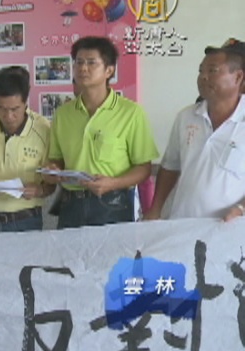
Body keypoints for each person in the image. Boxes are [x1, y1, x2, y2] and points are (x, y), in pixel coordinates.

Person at [44, 36, 159, 229]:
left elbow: (143, 168)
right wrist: (52, 170)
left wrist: (113, 183)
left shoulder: (130, 112)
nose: (83, 68)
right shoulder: (63, 114)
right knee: (68, 250)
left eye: (91, 63)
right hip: (71, 204)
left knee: (113, 250)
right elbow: (57, 160)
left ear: (109, 70)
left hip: (113, 203)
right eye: (78, 62)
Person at [144, 42, 245, 221]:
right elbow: (170, 168)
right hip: (181, 223)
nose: (203, 77)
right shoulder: (186, 116)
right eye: (200, 71)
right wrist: (155, 209)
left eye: (212, 71)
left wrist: (241, 208)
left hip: (228, 227)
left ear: (238, 77)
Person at [0, 71, 53, 232]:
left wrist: (40, 190)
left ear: (25, 103)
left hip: (27, 220)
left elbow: (52, 182)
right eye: (1, 108)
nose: (8, 116)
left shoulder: (43, 131)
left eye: (15, 109)